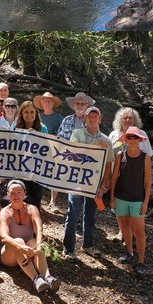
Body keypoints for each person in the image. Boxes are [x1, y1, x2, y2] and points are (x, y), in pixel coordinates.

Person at [105, 126, 153, 274]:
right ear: (125, 140)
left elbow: (147, 181)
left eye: (135, 137)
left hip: (137, 199)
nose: (132, 140)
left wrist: (145, 202)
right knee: (125, 225)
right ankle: (129, 252)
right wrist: (112, 196)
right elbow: (114, 177)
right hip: (121, 197)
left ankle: (141, 262)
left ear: (140, 140)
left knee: (139, 231)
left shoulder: (145, 157)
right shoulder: (120, 155)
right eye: (129, 137)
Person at [0, 180, 60, 294]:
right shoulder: (5, 212)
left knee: (34, 242)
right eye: (12, 193)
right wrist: (21, 247)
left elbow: (39, 229)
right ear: (8, 194)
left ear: (24, 193)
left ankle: (48, 277)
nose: (16, 196)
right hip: (9, 254)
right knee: (18, 241)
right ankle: (36, 279)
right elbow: (4, 237)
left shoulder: (32, 209)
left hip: (28, 251)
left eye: (19, 192)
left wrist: (38, 245)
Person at [63, 105, 107, 258]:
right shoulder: (76, 134)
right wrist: (94, 146)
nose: (93, 119)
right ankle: (68, 249)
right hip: (76, 181)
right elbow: (74, 152)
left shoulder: (105, 139)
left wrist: (103, 186)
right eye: (90, 116)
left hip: (94, 184)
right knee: (73, 213)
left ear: (100, 120)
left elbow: (108, 165)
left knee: (90, 215)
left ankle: (87, 245)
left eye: (96, 116)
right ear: (85, 119)